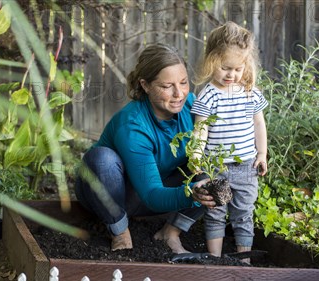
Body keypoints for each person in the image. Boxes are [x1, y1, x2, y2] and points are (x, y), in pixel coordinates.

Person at [74, 44, 215, 252]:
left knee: (218, 167)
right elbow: (151, 194)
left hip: (159, 191)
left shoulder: (193, 107)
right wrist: (189, 194)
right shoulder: (133, 124)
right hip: (115, 194)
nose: (179, 93)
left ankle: (171, 232)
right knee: (101, 159)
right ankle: (120, 231)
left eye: (183, 83)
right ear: (146, 85)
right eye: (167, 86)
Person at [190, 21, 268, 259]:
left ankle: (243, 259)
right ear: (212, 61)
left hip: (246, 166)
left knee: (243, 213)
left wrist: (262, 154)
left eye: (237, 69)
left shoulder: (250, 93)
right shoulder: (209, 95)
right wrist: (196, 157)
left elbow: (258, 124)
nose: (231, 75)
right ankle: (215, 259)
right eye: (225, 68)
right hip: (215, 166)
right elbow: (200, 129)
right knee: (214, 212)